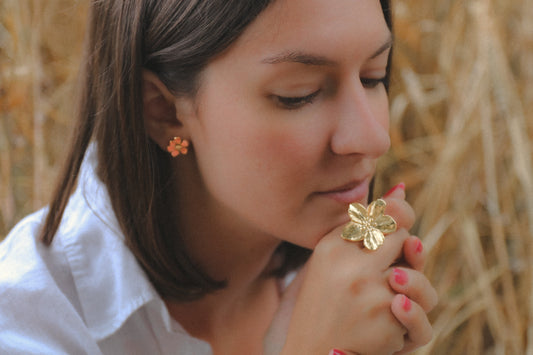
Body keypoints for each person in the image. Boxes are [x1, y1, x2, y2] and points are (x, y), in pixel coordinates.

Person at [0, 0, 438, 354]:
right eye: (298, 95)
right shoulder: (27, 323)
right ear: (163, 109)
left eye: (372, 76)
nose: (373, 137)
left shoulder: (356, 293)